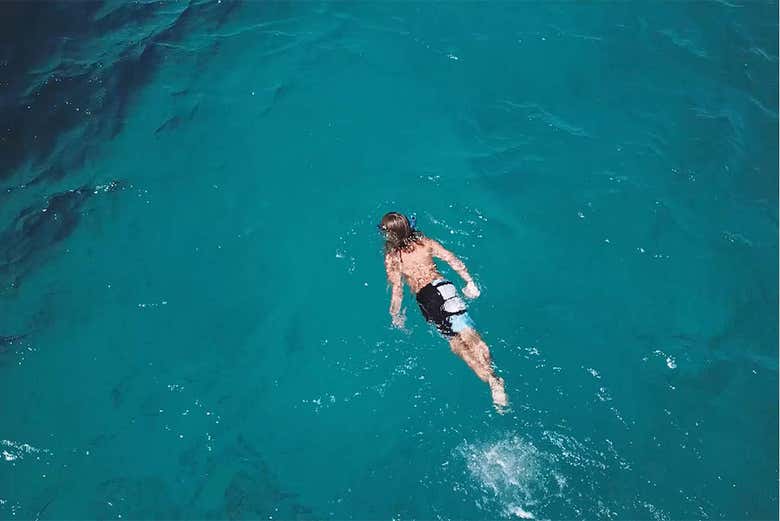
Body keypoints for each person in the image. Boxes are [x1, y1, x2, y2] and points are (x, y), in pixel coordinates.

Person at [378, 211, 508, 410]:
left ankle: (490, 379)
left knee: (457, 344)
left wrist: (396, 314)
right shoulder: (425, 242)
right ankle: (493, 378)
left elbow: (397, 289)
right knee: (468, 333)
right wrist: (470, 282)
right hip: (443, 288)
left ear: (393, 235)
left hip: (426, 300)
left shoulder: (393, 257)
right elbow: (451, 258)